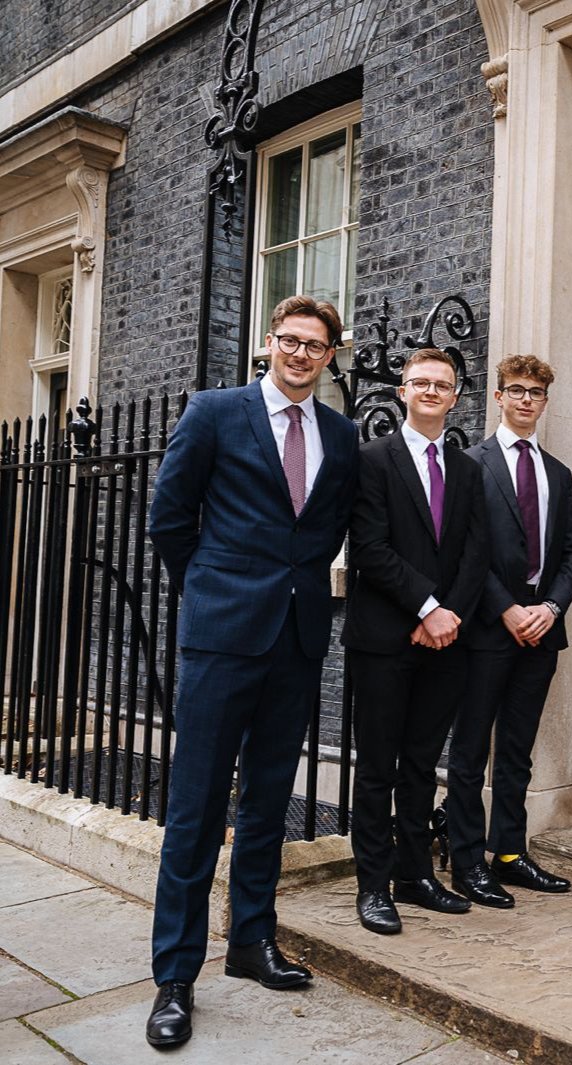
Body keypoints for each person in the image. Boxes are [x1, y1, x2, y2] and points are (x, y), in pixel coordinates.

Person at [146, 295, 360, 1048]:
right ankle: (174, 976)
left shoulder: (340, 432)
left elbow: (329, 527)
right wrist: (210, 587)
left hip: (297, 638)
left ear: (331, 355)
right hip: (222, 636)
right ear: (268, 344)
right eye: (289, 341)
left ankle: (251, 939)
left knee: (268, 799)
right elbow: (169, 516)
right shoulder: (214, 411)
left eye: (315, 345)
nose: (300, 354)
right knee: (197, 804)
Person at [342, 347, 488, 935]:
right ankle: (373, 886)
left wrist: (449, 615)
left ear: (455, 398)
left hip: (446, 641)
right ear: (402, 392)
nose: (431, 391)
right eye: (420, 382)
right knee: (377, 766)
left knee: (423, 765)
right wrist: (428, 607)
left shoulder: (470, 470)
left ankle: (414, 875)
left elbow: (479, 552)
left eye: (442, 384)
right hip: (385, 638)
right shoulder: (371, 460)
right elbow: (370, 549)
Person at [447, 355, 572, 908]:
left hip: (542, 631)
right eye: (517, 390)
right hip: (488, 627)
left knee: (518, 750)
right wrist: (506, 609)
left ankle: (509, 852)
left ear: (545, 402)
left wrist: (551, 607)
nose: (527, 400)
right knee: (469, 750)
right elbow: (464, 551)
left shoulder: (558, 472)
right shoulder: (471, 464)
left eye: (536, 392)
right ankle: (465, 861)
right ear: (499, 397)